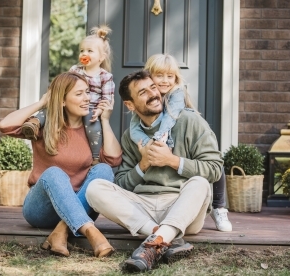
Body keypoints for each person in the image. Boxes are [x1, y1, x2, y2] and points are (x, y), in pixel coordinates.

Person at [86, 70, 223, 272]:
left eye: (153, 87)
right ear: (129, 105)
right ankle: (164, 237)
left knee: (200, 183)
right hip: (143, 209)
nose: (153, 94)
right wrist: (143, 164)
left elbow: (214, 168)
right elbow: (122, 182)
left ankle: (154, 242)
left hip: (183, 208)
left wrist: (172, 160)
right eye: (143, 92)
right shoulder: (130, 136)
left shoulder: (189, 121)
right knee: (94, 188)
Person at [0, 72, 122, 258]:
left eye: (87, 92)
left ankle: (61, 232)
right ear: (62, 100)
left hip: (79, 206)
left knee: (103, 170)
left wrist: (105, 120)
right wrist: (42, 103)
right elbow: (5, 125)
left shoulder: (92, 129)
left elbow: (113, 160)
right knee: (54, 173)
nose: (87, 98)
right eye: (79, 94)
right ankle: (92, 232)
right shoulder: (42, 125)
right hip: (41, 210)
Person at [130, 53, 232, 232]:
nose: (165, 81)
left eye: (170, 76)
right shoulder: (144, 102)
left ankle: (219, 207)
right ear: (148, 77)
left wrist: (160, 139)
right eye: (159, 75)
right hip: (152, 197)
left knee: (214, 162)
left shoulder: (176, 94)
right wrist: (146, 146)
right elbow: (134, 127)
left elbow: (170, 117)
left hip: (179, 128)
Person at [21, 25, 115, 166]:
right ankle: (34, 124)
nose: (84, 54)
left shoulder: (105, 76)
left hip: (91, 108)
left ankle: (95, 158)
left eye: (90, 51)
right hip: (71, 104)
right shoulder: (75, 70)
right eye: (82, 51)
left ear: (101, 58)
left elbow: (107, 98)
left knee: (94, 128)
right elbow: (66, 85)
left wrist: (100, 111)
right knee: (49, 110)